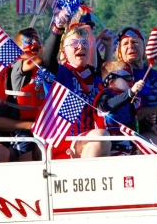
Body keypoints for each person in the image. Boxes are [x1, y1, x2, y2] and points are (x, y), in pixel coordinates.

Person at [41, 21, 111, 159]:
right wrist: (58, 29)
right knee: (101, 136)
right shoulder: (61, 73)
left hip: (90, 141)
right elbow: (48, 61)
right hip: (63, 143)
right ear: (63, 52)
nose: (80, 46)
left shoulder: (96, 79)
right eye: (74, 43)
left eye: (85, 43)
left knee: (108, 139)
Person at [93, 61, 157, 153]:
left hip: (129, 148)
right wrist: (131, 93)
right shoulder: (104, 97)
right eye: (127, 78)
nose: (131, 82)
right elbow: (108, 105)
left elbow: (133, 123)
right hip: (109, 150)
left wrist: (149, 126)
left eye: (132, 78)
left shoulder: (131, 101)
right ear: (112, 82)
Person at [1, 27, 45, 161]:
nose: (35, 43)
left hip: (39, 124)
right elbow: (38, 60)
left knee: (42, 156)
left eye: (37, 40)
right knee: (26, 157)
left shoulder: (41, 68)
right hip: (21, 126)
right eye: (29, 41)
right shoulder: (18, 65)